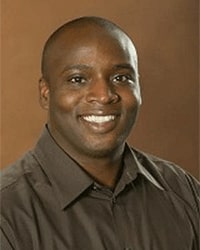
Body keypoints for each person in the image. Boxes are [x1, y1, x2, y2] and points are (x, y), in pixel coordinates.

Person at [0, 16, 199, 250]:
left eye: (120, 78)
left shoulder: (185, 192)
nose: (104, 95)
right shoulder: (7, 214)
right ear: (46, 93)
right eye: (78, 79)